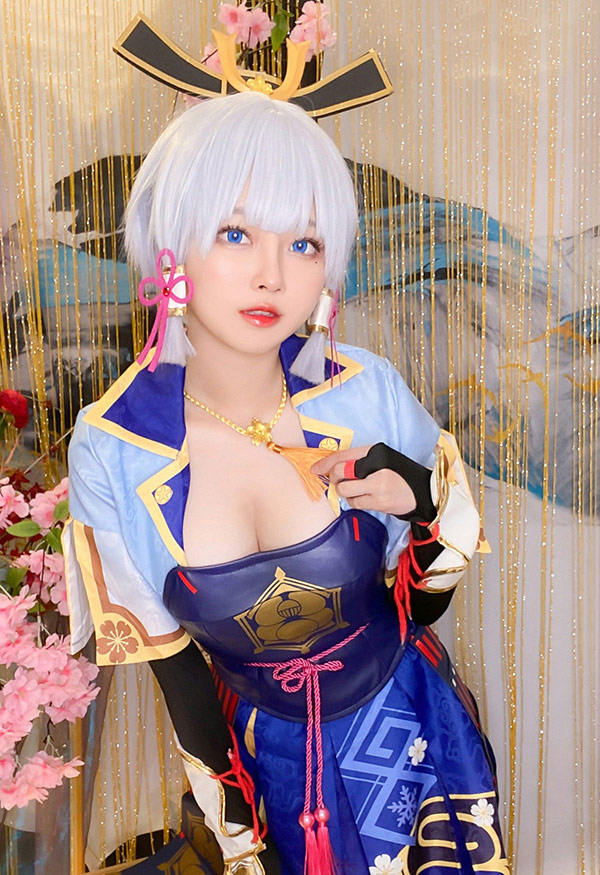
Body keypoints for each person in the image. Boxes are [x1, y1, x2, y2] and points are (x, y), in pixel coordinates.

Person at [63, 86, 508, 875]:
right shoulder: (113, 446)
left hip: (413, 736)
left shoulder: (363, 391)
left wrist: (422, 497)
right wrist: (241, 833)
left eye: (303, 243)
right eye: (236, 233)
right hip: (263, 765)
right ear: (172, 247)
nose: (271, 275)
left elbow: (423, 604)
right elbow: (178, 674)